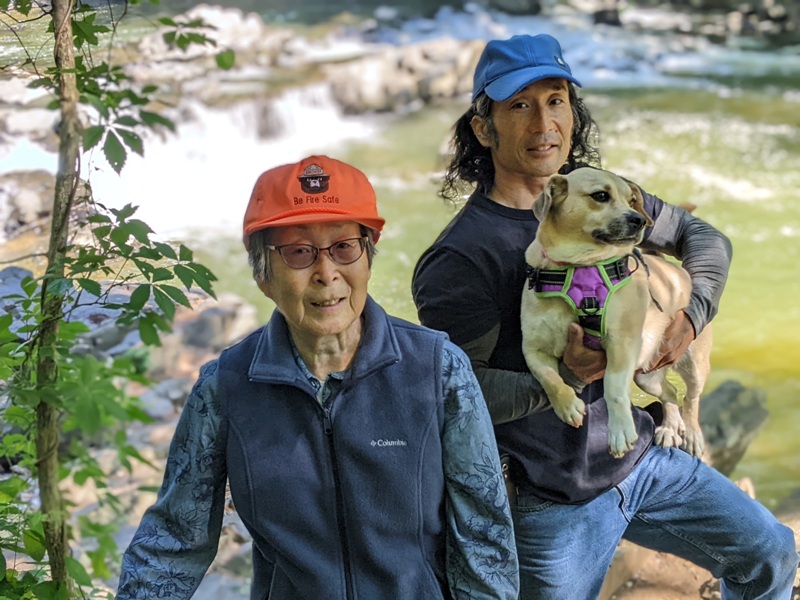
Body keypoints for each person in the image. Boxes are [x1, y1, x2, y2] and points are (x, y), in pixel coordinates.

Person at [412, 34, 798, 599]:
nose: (544, 122)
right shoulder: (461, 257)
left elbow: (704, 238)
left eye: (557, 99)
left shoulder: (603, 194)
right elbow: (456, 398)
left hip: (641, 460)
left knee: (771, 552)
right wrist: (567, 377)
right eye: (519, 105)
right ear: (483, 128)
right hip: (549, 502)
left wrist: (688, 320)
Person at [117, 155, 519, 600]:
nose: (326, 274)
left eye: (344, 247)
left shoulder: (438, 369)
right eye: (298, 252)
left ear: (368, 257)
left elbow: (483, 538)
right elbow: (174, 541)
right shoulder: (225, 388)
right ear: (261, 274)